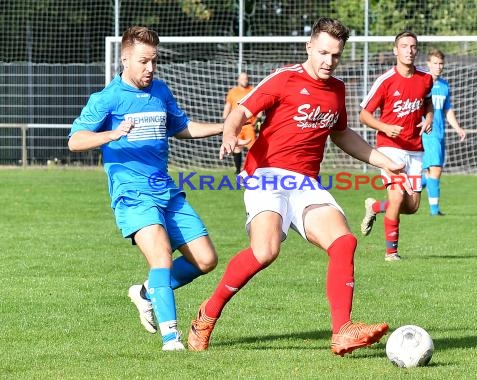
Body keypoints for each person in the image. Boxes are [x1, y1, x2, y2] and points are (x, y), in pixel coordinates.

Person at [186, 17, 412, 357]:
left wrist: (384, 161)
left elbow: (342, 134)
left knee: (344, 241)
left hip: (306, 182)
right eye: (323, 53)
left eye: (335, 55)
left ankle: (342, 331)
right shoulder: (284, 78)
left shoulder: (337, 89)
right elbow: (241, 110)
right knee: (266, 251)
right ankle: (208, 314)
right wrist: (231, 132)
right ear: (309, 47)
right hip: (266, 174)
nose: (328, 61)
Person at [68, 26, 225, 351]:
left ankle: (145, 292)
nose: (150, 68)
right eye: (143, 61)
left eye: (154, 61)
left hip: (164, 189)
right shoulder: (107, 98)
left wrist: (227, 127)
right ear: (125, 58)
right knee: (161, 258)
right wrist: (110, 135)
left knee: (206, 260)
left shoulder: (161, 91)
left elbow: (183, 129)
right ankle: (172, 339)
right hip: (132, 193)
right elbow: (75, 141)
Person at [359, 30, 434, 261]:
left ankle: (375, 207)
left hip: (415, 149)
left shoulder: (426, 79)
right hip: (389, 148)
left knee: (412, 206)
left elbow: (427, 101)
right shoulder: (386, 80)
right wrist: (384, 127)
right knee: (398, 197)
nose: (409, 51)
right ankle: (391, 253)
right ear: (395, 50)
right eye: (404, 46)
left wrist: (429, 117)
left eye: (413, 46)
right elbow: (364, 114)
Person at [421, 48, 466, 216]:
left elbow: (447, 109)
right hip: (427, 133)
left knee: (431, 173)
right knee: (436, 169)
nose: (438, 67)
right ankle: (434, 211)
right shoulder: (422, 83)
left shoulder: (444, 85)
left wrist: (458, 128)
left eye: (441, 64)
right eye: (435, 63)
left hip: (440, 134)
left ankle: (410, 186)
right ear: (428, 64)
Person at [223, 72, 260, 175]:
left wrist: (259, 119)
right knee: (236, 147)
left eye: (246, 78)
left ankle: (253, 169)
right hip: (236, 125)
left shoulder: (252, 90)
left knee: (252, 147)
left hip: (249, 125)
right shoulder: (233, 92)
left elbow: (260, 106)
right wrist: (225, 121)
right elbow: (228, 105)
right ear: (238, 80)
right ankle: (238, 170)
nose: (244, 80)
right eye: (242, 78)